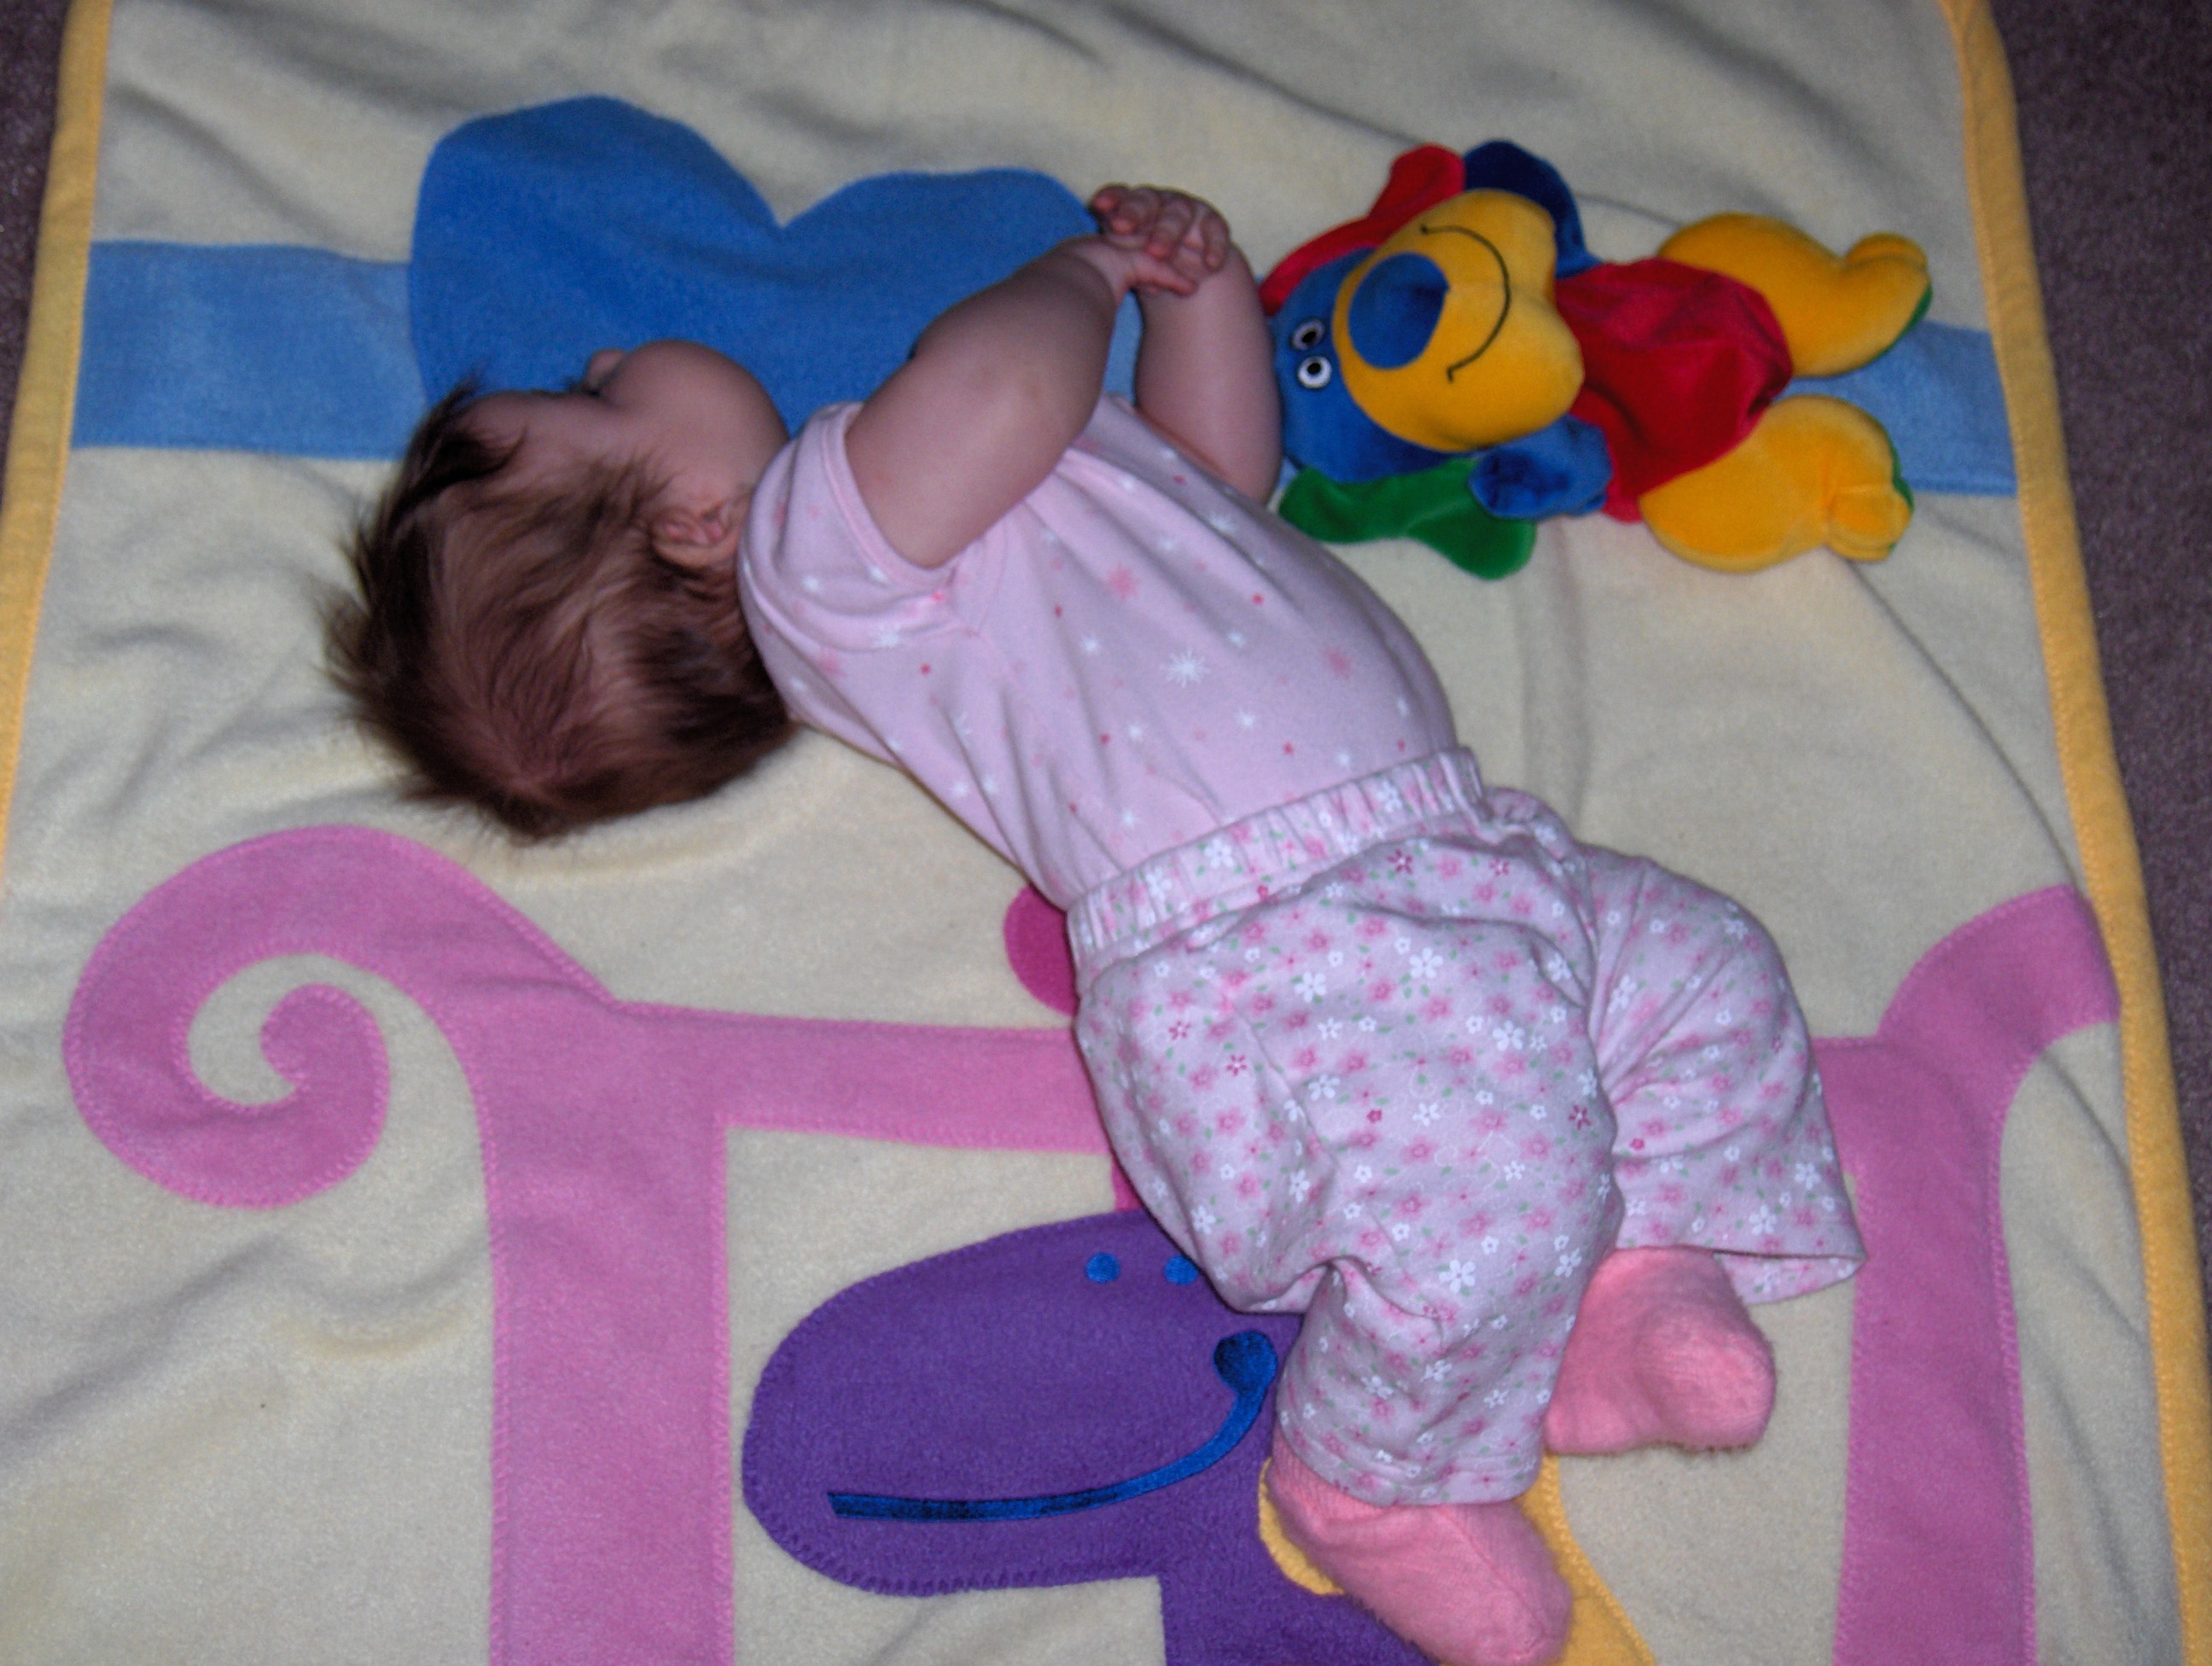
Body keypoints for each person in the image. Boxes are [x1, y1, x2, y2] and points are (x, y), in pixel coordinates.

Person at [333, 185, 1862, 1666]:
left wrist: (1199, 301)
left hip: (1440, 857)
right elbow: (1004, 381)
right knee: (1479, 1195)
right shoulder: (817, 553)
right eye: (588, 399)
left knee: (1701, 973)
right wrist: (1085, 274)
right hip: (1276, 942)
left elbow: (1214, 477)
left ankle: (1629, 1270)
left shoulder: (944, 518)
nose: (606, 353)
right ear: (689, 521)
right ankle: (1371, 1479)